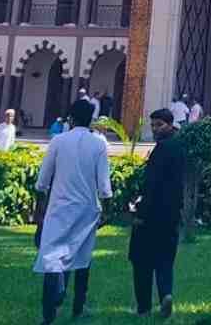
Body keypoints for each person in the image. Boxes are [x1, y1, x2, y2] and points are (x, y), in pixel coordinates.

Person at [33, 98, 113, 324]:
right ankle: (78, 306)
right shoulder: (98, 144)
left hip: (59, 208)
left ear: (70, 118)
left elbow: (42, 182)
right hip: (87, 210)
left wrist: (40, 212)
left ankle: (49, 313)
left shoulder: (58, 141)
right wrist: (107, 210)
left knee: (52, 259)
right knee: (82, 259)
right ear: (91, 120)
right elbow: (104, 185)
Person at [129, 108, 185, 318]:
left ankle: (144, 307)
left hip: (152, 215)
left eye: (159, 125)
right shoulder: (179, 146)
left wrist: (140, 214)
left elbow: (152, 185)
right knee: (164, 261)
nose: (155, 129)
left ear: (170, 125)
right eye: (152, 125)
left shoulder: (163, 149)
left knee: (141, 261)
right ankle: (165, 295)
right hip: (171, 215)